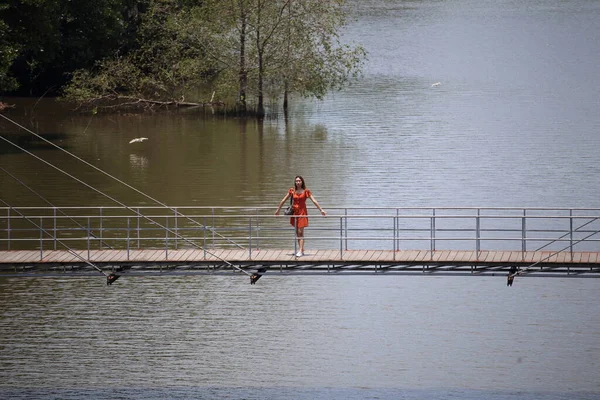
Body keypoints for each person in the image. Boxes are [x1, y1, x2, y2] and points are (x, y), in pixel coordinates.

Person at [275, 176, 326, 257]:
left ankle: (300, 251)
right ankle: (301, 249)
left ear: (302, 182)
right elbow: (283, 200)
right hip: (294, 213)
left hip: (302, 213)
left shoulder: (306, 191)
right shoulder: (292, 191)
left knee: (300, 232)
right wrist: (278, 210)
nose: (298, 182)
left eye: (299, 181)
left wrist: (321, 210)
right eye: (296, 181)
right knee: (297, 232)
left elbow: (314, 200)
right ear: (295, 182)